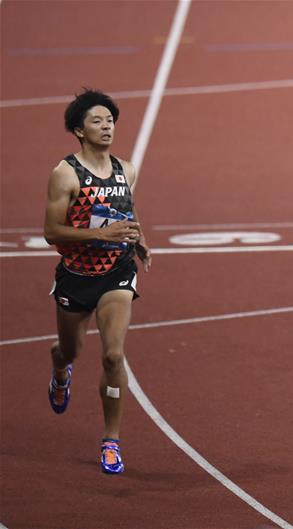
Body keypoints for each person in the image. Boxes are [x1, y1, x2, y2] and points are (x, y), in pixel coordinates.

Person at [43, 89, 151, 474]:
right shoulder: (66, 174)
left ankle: (111, 441)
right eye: (97, 121)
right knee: (69, 351)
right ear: (78, 130)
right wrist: (101, 236)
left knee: (113, 355)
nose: (106, 127)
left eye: (110, 121)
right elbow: (51, 232)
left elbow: (125, 210)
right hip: (75, 278)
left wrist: (138, 240)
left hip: (116, 274)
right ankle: (60, 370)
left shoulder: (127, 169)